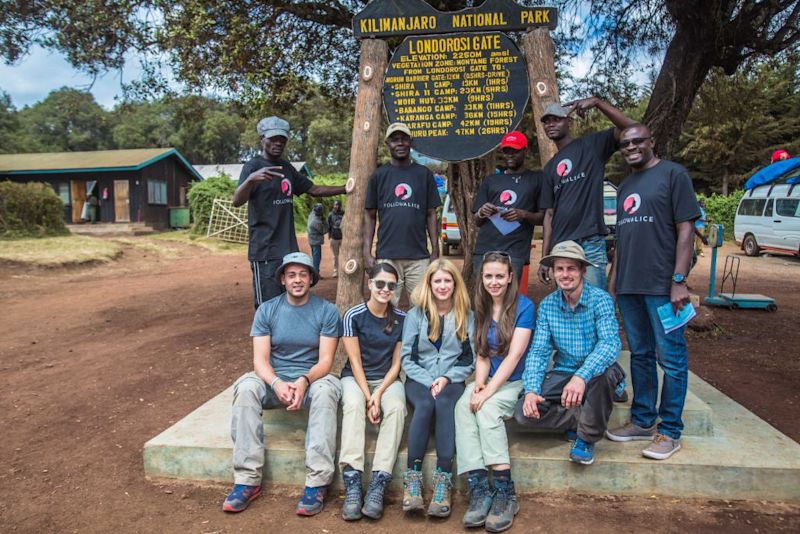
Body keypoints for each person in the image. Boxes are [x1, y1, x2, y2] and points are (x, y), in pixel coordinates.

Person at [606, 124, 701, 460]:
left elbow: (686, 229)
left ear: (652, 141)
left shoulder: (673, 174)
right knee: (641, 355)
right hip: (630, 286)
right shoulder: (626, 186)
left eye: (637, 141)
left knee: (671, 358)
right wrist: (613, 282)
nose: (630, 147)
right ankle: (643, 420)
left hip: (662, 287)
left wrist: (679, 279)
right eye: (624, 144)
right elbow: (621, 239)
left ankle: (669, 430)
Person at [223, 252, 342, 516]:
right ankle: (247, 480)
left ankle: (317, 482)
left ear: (311, 278)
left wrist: (304, 380)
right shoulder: (267, 310)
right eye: (291, 275)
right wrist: (276, 383)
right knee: (245, 387)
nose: (297, 280)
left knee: (326, 392)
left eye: (303, 274)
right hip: (274, 379)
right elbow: (260, 360)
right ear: (283, 280)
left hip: (312, 379)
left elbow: (326, 361)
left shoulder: (327, 311)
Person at [514, 241, 624, 466]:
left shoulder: (600, 300)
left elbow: (610, 344)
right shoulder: (547, 306)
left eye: (571, 268)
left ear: (583, 271)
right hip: (563, 372)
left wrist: (581, 376)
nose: (565, 275)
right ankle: (579, 419)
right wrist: (532, 390)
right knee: (523, 413)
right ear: (553, 272)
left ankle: (585, 438)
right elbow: (538, 351)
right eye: (560, 269)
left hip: (597, 371)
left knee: (602, 379)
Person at [455, 252, 534, 532]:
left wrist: (487, 392)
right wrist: (478, 383)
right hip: (488, 379)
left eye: (500, 275)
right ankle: (478, 489)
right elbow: (483, 354)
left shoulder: (524, 307)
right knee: (463, 407)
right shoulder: (482, 308)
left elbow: (514, 356)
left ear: (511, 277)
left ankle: (504, 491)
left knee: (486, 409)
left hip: (514, 382)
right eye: (488, 276)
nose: (494, 281)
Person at [233, 116, 346, 308]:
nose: (278, 143)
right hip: (265, 250)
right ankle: (266, 339)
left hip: (288, 250)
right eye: (273, 139)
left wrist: (345, 188)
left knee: (290, 302)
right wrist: (251, 180)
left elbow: (313, 189)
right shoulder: (252, 167)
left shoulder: (287, 168)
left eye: (282, 139)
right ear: (262, 138)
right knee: (267, 307)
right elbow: (237, 201)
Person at [400, 259, 474, 517]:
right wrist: (428, 379)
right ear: (429, 284)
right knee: (425, 404)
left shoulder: (466, 315)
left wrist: (445, 378)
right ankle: (413, 480)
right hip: (419, 380)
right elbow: (407, 358)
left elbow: (468, 358)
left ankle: (443, 479)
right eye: (437, 281)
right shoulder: (415, 314)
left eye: (447, 280)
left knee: (444, 403)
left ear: (455, 284)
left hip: (451, 380)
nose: (442, 286)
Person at [537, 98, 636, 289]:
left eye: (556, 119)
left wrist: (598, 103)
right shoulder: (550, 168)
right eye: (546, 121)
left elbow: (633, 129)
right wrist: (544, 257)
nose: (550, 124)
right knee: (568, 305)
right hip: (562, 245)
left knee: (593, 302)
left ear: (569, 121)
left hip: (590, 241)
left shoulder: (592, 146)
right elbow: (549, 215)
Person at [339, 263, 407, 521]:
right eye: (380, 283)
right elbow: (355, 362)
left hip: (387, 380)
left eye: (391, 285)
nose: (385, 289)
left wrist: (378, 395)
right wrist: (369, 397)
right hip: (356, 379)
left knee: (398, 407)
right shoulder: (353, 316)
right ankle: (353, 479)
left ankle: (380, 480)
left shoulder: (402, 319)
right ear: (369, 284)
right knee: (354, 406)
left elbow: (397, 364)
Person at [364, 122, 442, 304]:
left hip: (419, 258)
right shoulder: (379, 175)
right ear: (387, 144)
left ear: (410, 142)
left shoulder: (424, 174)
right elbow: (369, 215)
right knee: (385, 308)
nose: (400, 143)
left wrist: (435, 250)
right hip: (387, 257)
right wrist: (366, 253)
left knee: (423, 308)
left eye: (404, 139)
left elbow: (431, 214)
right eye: (394, 140)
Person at [472, 131, 546, 282]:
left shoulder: (536, 179)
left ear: (525, 151)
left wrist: (524, 214)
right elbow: (476, 221)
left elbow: (545, 217)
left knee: (509, 299)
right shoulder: (491, 180)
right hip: (485, 249)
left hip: (515, 251)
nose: (510, 155)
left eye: (515, 151)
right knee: (482, 298)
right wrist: (481, 212)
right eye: (506, 151)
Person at [307, 203, 328, 275]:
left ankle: (314, 272)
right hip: (316, 241)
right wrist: (325, 221)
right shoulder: (316, 221)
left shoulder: (312, 214)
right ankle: (315, 273)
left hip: (311, 239)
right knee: (316, 259)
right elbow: (324, 230)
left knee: (314, 257)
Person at [327, 200, 344, 277]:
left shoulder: (344, 213)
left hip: (343, 238)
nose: (336, 206)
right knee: (335, 256)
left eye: (337, 205)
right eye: (335, 205)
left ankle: (344, 270)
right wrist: (330, 237)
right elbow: (329, 227)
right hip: (334, 238)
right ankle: (335, 271)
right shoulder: (330, 215)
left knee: (345, 255)